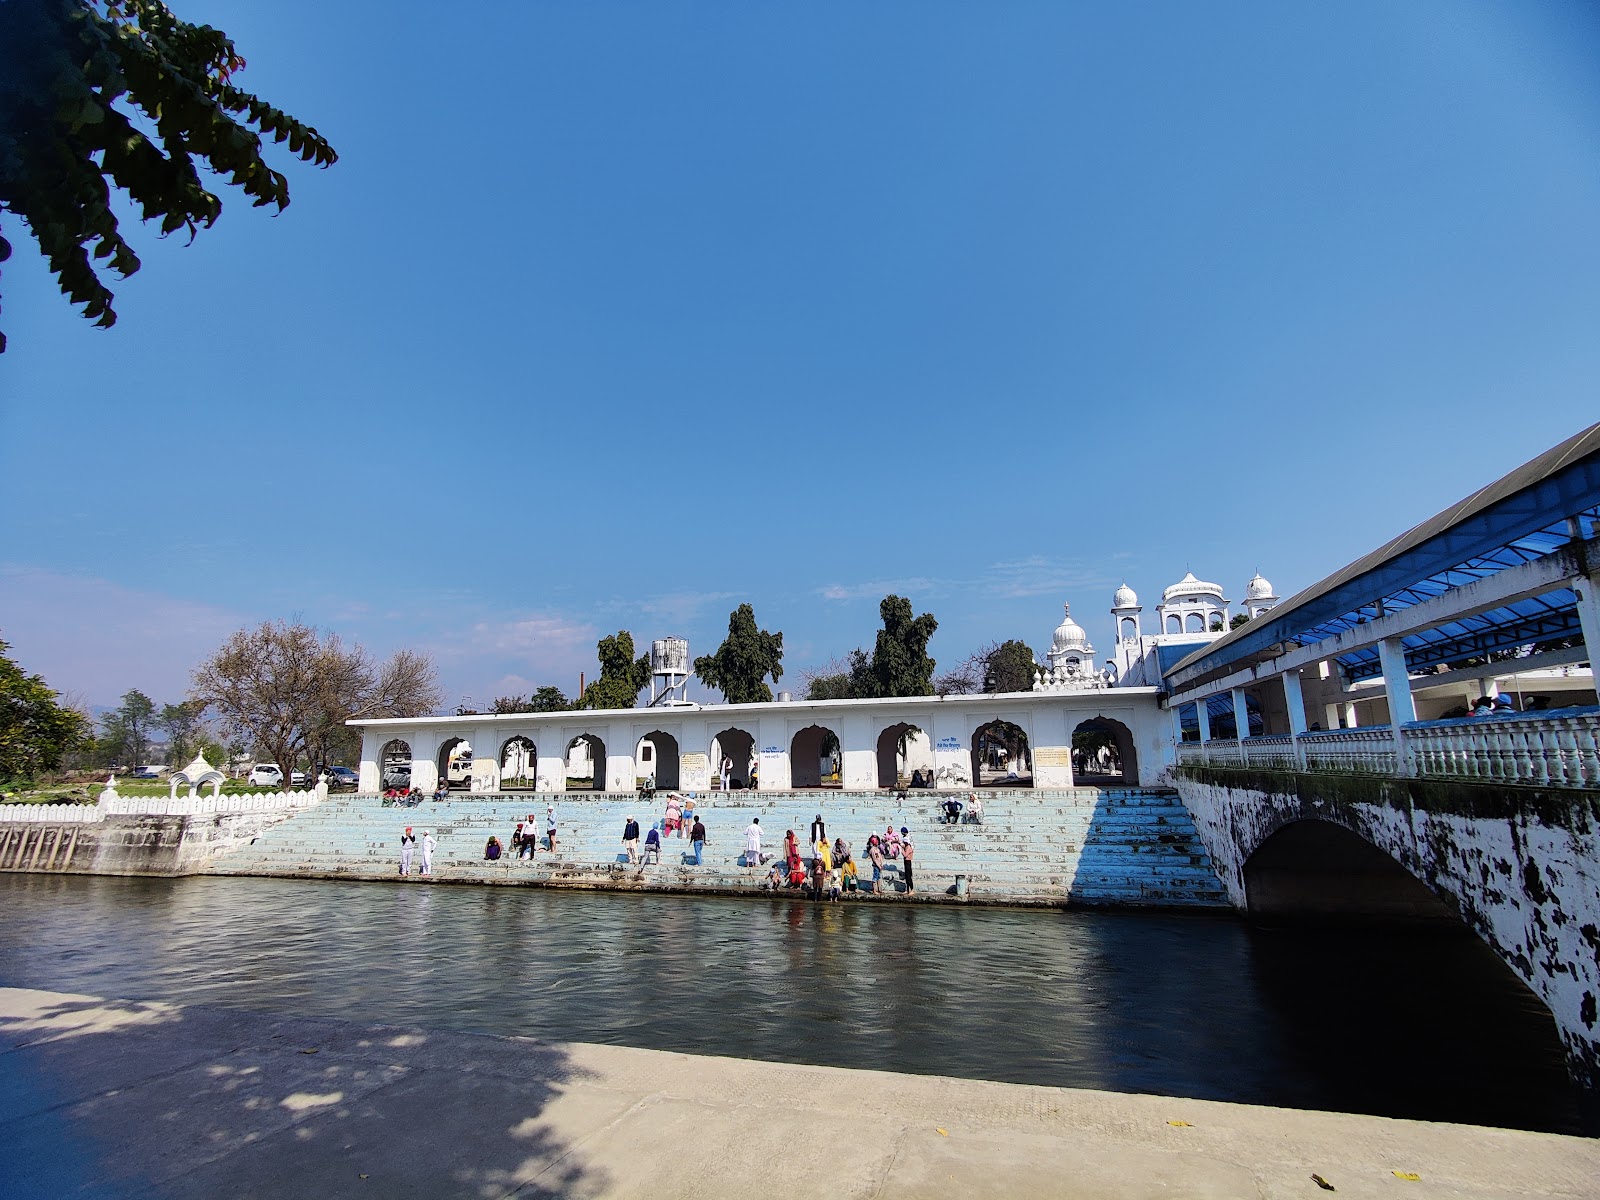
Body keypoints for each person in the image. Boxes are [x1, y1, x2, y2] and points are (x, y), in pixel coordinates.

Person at [900, 827, 915, 895]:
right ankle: (907, 889)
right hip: (906, 861)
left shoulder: (908, 847)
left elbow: (905, 855)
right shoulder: (906, 847)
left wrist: (902, 850)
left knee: (909, 876)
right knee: (906, 876)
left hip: (908, 861)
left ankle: (912, 890)